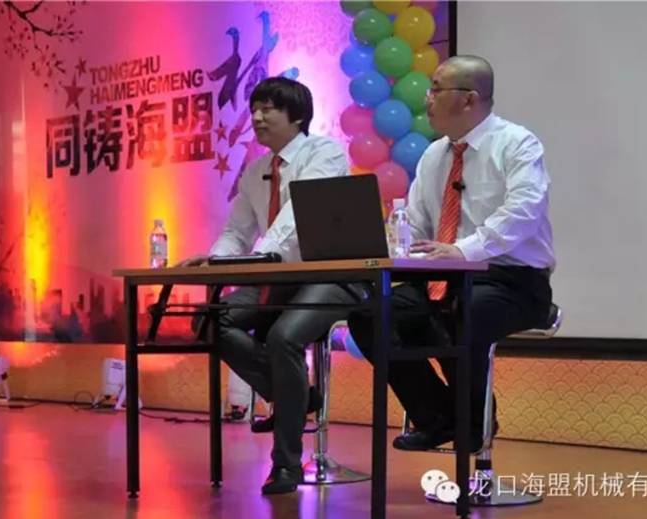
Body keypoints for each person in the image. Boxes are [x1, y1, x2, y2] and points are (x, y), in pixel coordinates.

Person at [347, 55, 555, 452]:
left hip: (511, 279)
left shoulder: (517, 143)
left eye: (436, 90)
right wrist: (395, 250)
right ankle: (440, 417)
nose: (427, 99)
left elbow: (524, 212)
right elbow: (418, 225)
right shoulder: (434, 155)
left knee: (460, 313)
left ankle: (472, 425)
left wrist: (463, 250)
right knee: (371, 316)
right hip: (444, 276)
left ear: (468, 99)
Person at [178, 77, 360, 494]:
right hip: (276, 276)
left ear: (297, 116)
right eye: (254, 109)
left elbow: (296, 216)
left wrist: (257, 258)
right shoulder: (256, 170)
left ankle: (287, 466)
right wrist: (218, 261)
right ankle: (295, 395)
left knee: (283, 338)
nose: (257, 118)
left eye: (268, 109)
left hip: (325, 275)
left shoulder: (325, 153)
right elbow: (236, 231)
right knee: (210, 321)